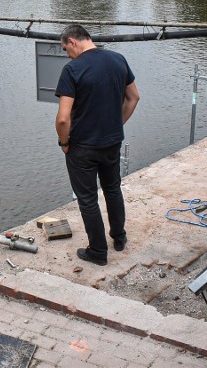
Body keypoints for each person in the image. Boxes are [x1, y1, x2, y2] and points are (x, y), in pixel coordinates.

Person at [55, 25, 140, 266]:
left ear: (72, 41)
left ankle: (98, 251)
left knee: (88, 199)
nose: (67, 55)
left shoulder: (72, 69)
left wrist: (63, 142)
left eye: (65, 49)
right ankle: (119, 238)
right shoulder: (118, 59)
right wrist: (116, 123)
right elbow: (134, 97)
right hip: (112, 141)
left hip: (82, 147)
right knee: (113, 189)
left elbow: (63, 118)